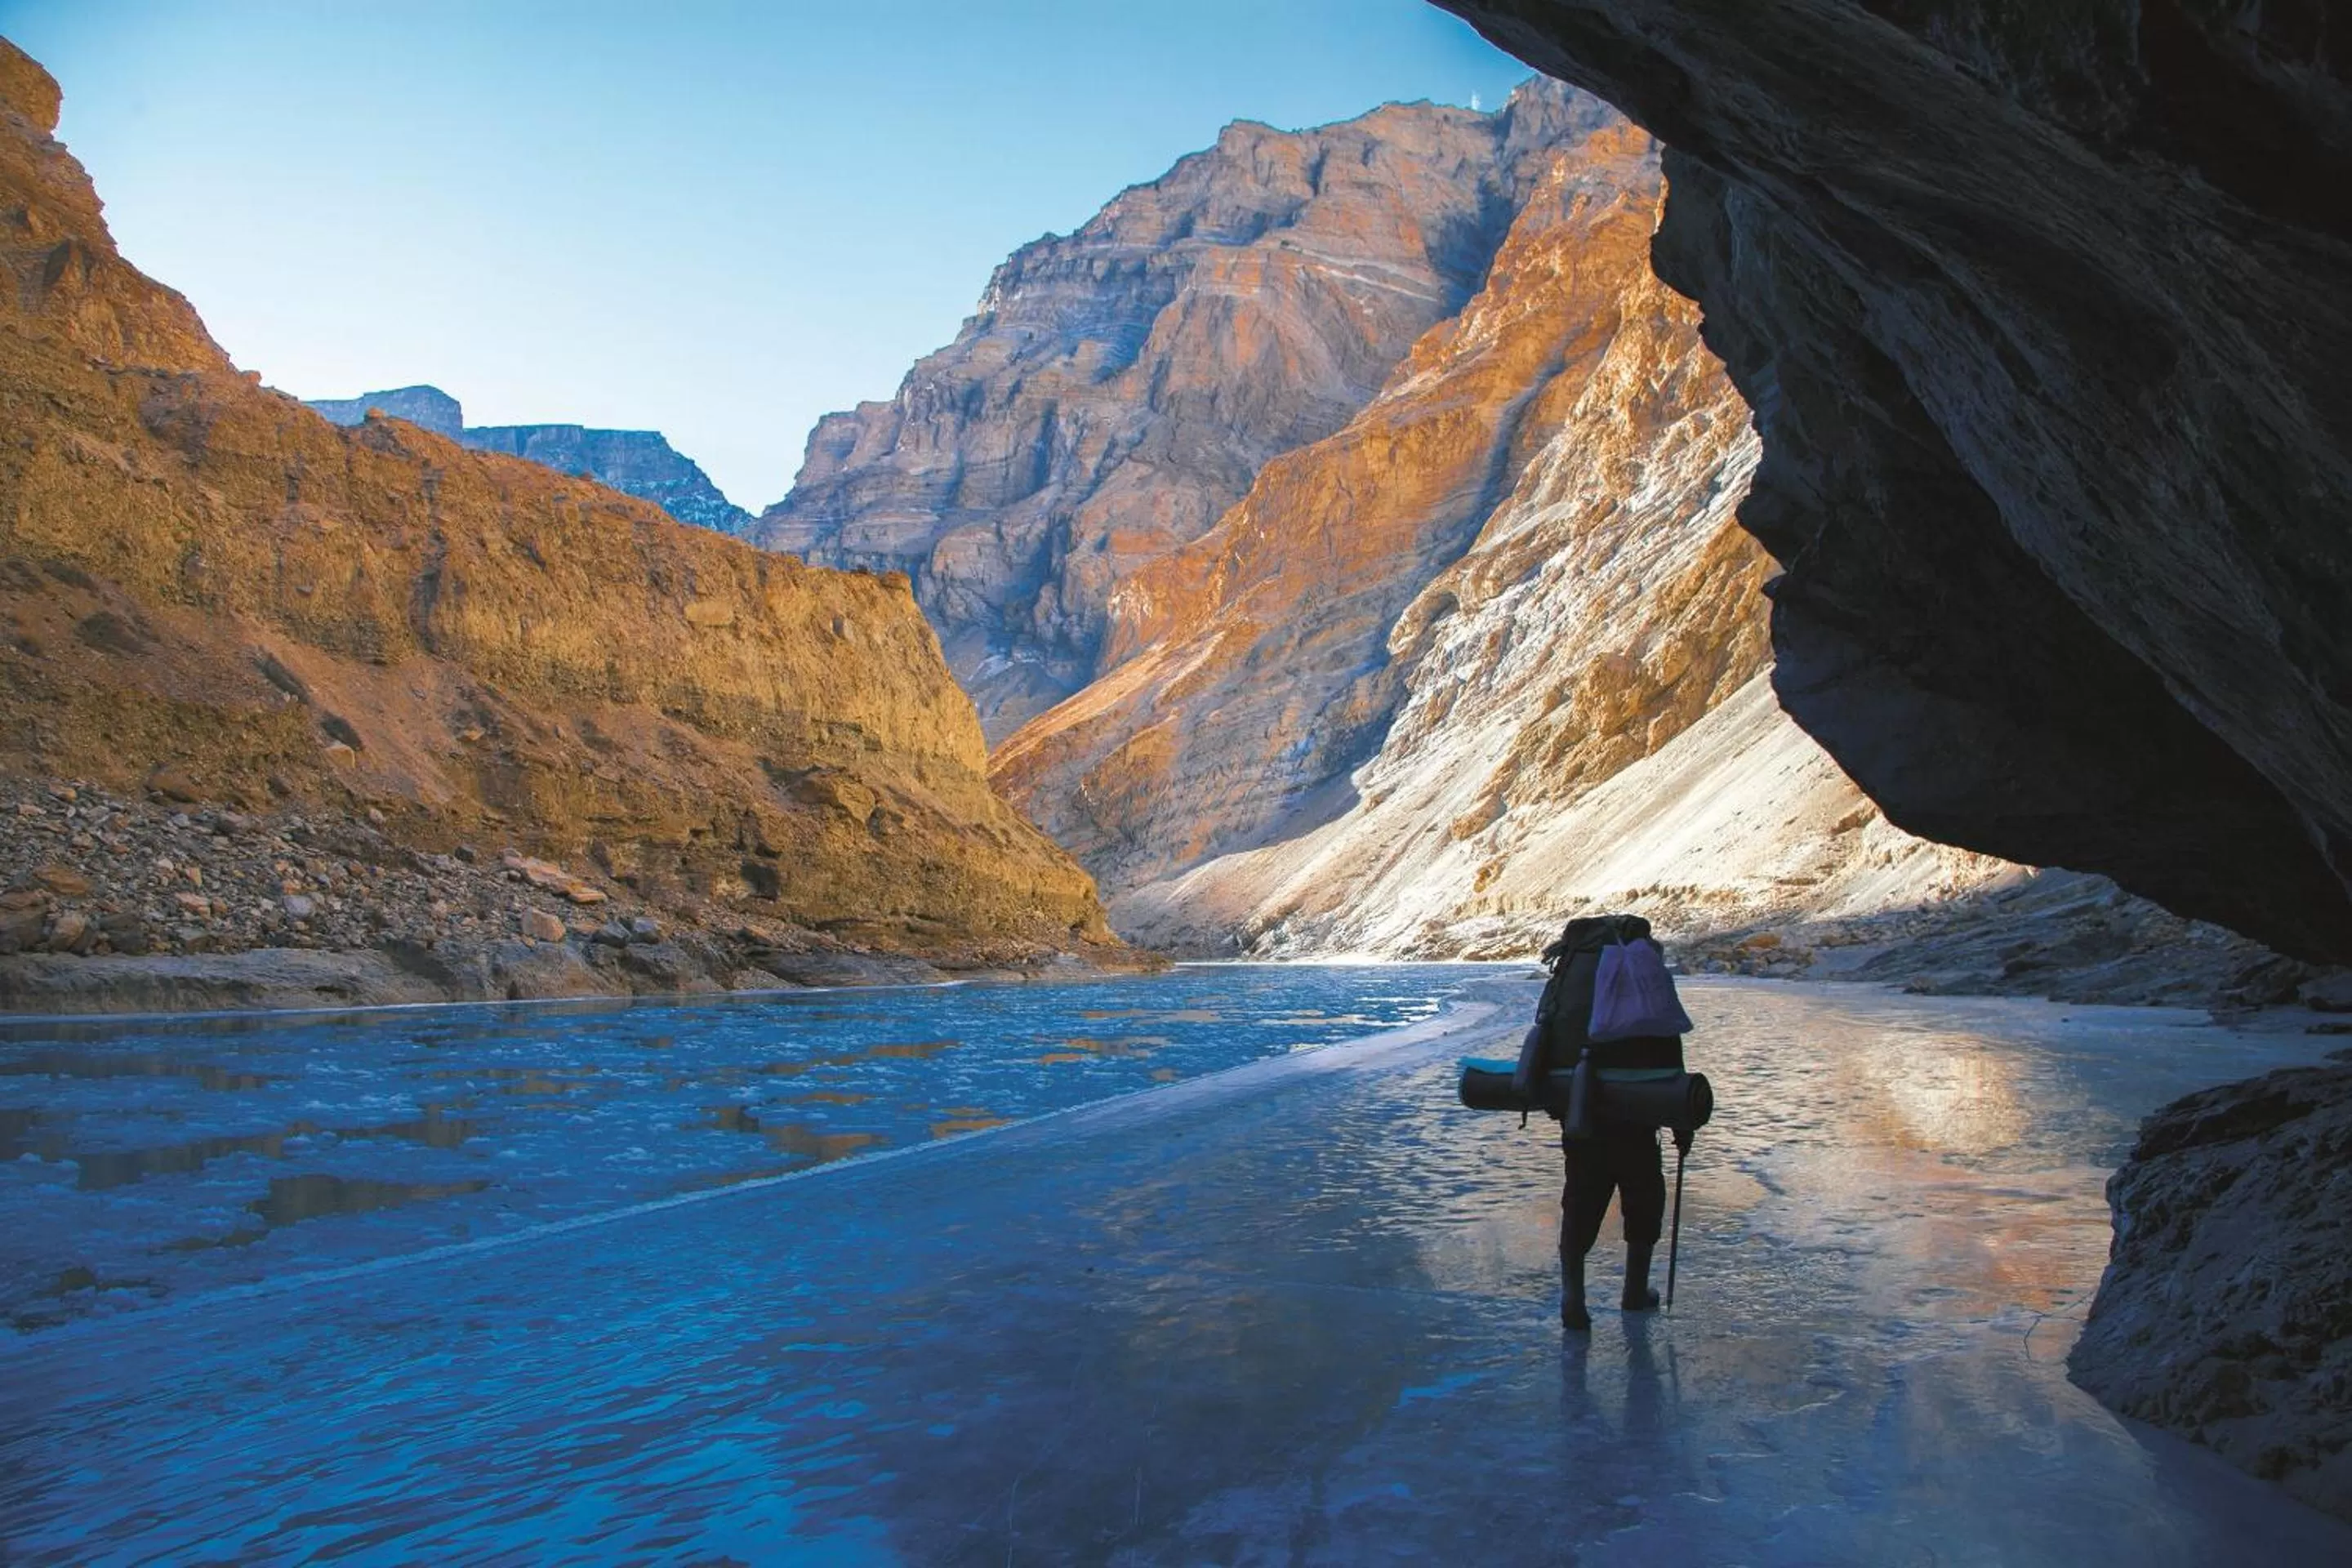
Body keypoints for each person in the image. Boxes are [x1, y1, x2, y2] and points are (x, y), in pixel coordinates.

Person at [1535, 915, 1686, 1332]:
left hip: (1581, 1109)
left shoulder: (1571, 973)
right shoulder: (1642, 970)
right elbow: (1668, 1043)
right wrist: (1681, 1119)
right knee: (1643, 1193)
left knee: (1580, 1195)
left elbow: (1547, 1033)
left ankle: (1573, 1295)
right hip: (1637, 1113)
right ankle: (1634, 1291)